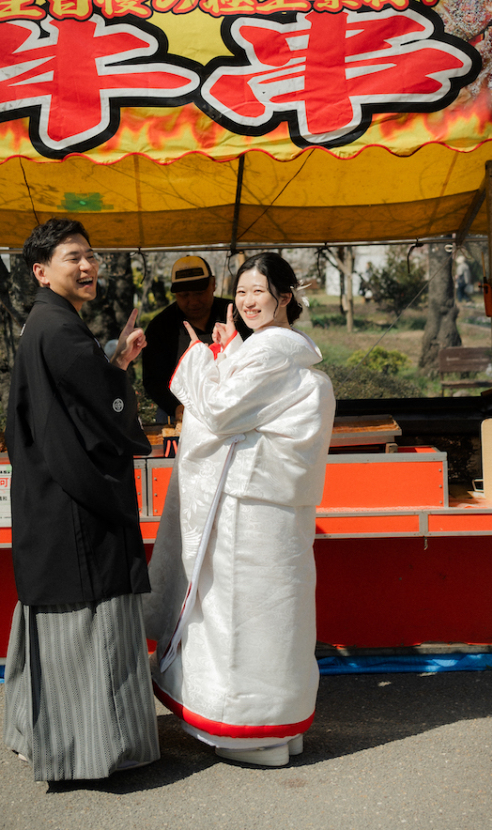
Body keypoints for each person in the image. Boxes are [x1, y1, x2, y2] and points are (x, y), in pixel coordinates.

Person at [144, 253, 335, 768]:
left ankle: (249, 731)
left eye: (260, 292)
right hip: (271, 510)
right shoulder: (283, 355)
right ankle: (280, 726)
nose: (248, 301)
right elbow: (239, 405)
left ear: (285, 298)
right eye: (243, 291)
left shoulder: (272, 353)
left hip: (246, 512)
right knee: (277, 615)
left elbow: (224, 410)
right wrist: (228, 355)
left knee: (239, 620)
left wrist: (203, 358)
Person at [3, 218, 160, 783]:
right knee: (91, 628)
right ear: (42, 272)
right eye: (73, 258)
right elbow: (101, 414)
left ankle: (43, 737)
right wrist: (118, 382)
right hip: (74, 502)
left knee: (56, 631)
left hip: (48, 496)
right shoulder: (61, 330)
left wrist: (114, 362)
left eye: (90, 255)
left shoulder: (44, 323)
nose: (88, 266)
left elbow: (78, 395)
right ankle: (92, 750)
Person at [142, 256, 232, 422]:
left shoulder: (232, 315)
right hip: (179, 408)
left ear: (213, 285)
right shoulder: (160, 327)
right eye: (184, 295)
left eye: (199, 293)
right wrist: (176, 407)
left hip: (230, 402)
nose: (193, 301)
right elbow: (153, 380)